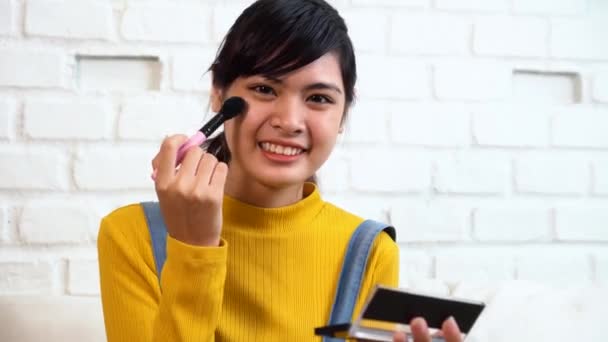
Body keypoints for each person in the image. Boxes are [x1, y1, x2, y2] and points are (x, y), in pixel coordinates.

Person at [97, 0, 462, 341]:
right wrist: (194, 250)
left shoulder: (370, 251)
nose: (289, 122)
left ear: (342, 117)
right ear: (219, 94)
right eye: (263, 89)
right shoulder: (133, 236)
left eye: (319, 98)